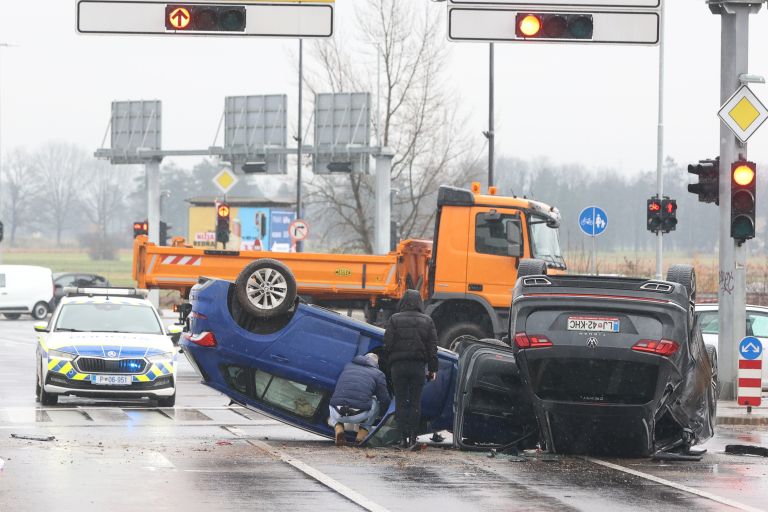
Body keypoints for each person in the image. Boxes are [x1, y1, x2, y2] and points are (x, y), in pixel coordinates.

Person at [383, 289, 439, 448]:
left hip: (398, 366)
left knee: (400, 402)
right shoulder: (427, 321)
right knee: (415, 402)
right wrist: (432, 369)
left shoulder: (395, 319)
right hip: (418, 367)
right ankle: (414, 438)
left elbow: (387, 344)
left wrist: (390, 364)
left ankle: (402, 438)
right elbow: (432, 348)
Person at [329, 353, 391, 447]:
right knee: (375, 400)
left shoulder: (348, 367)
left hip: (337, 412)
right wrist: (383, 415)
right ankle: (362, 433)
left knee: (335, 399)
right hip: (359, 415)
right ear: (376, 364)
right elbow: (384, 399)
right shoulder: (378, 374)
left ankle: (338, 426)